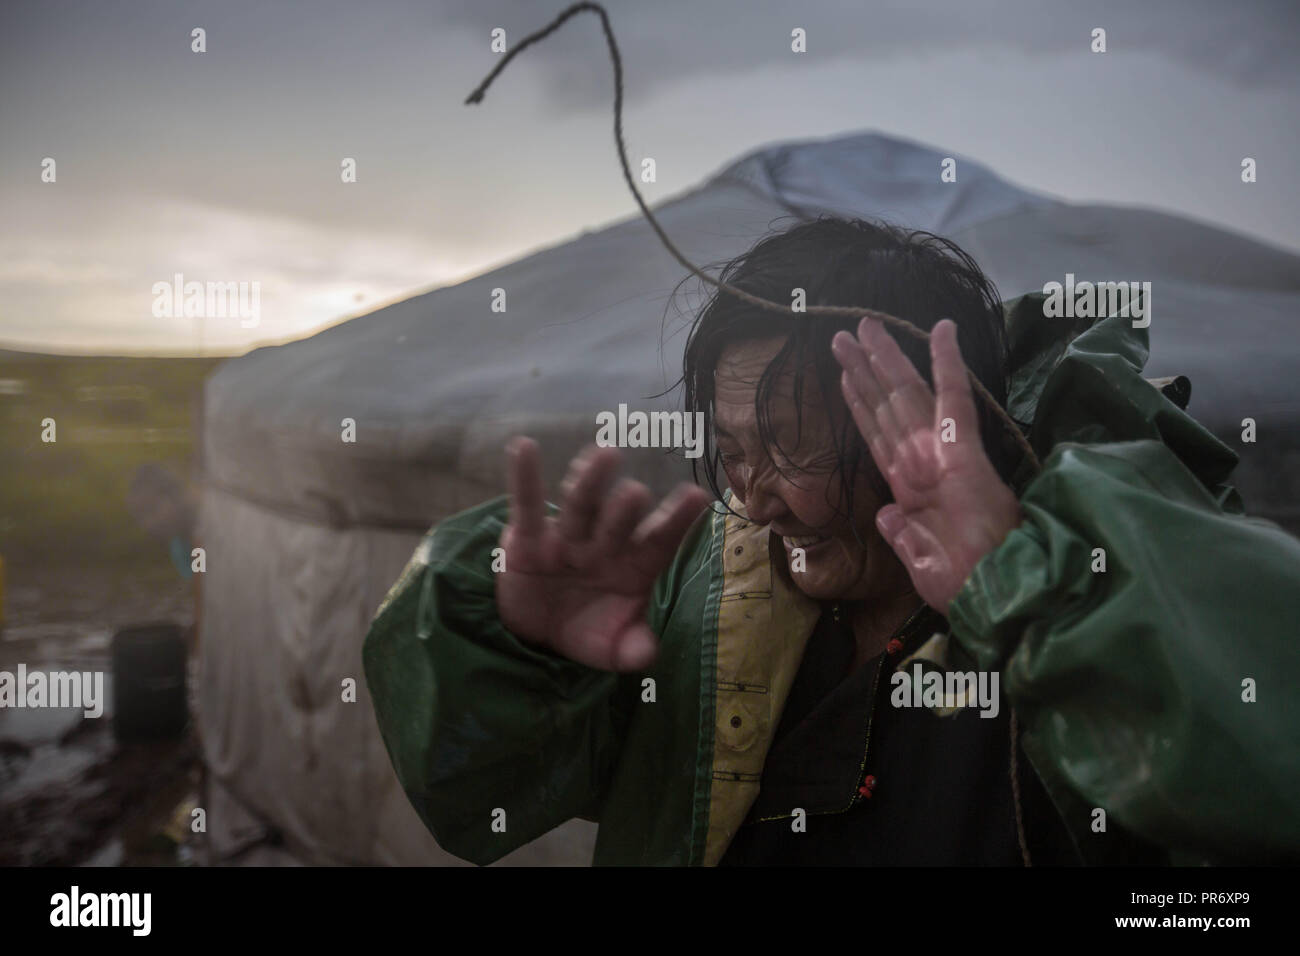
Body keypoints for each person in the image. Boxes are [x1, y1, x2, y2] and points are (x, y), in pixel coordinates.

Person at [362, 216, 1300, 866]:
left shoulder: (1096, 574)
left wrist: (1021, 583)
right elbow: (502, 792)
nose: (754, 496)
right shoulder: (717, 584)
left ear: (928, 424)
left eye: (792, 447)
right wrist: (523, 654)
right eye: (731, 452)